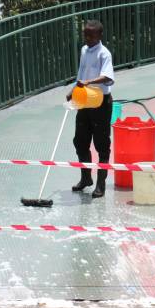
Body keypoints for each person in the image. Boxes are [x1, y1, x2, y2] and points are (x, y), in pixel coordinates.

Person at [66, 20, 114, 198]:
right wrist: (73, 90)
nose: (86, 38)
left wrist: (90, 82)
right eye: (85, 34)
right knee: (80, 140)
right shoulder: (84, 51)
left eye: (90, 35)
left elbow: (107, 77)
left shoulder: (104, 53)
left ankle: (100, 184)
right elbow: (81, 73)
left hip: (100, 102)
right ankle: (86, 178)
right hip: (85, 100)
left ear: (99, 36)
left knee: (101, 144)